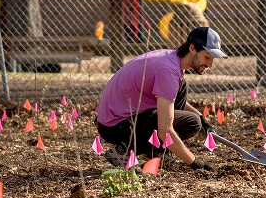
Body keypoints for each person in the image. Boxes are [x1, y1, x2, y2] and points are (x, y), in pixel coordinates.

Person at [95, 27, 228, 170]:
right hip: (115, 126)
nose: (210, 64)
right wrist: (195, 163)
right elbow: (165, 130)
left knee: (183, 87)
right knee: (191, 123)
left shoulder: (171, 59)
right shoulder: (168, 71)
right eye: (207, 57)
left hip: (120, 119)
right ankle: (122, 152)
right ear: (192, 48)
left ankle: (158, 153)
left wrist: (202, 118)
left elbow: (168, 99)